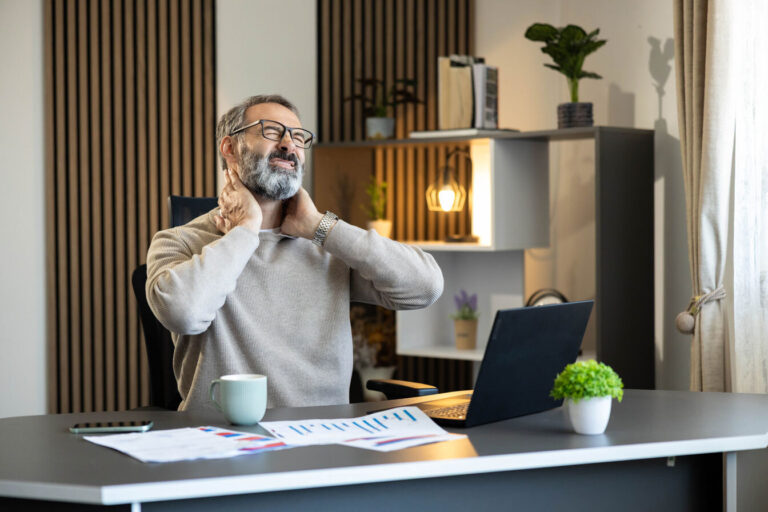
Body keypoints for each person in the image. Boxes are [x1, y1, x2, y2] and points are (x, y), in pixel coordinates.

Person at [145, 94, 443, 411]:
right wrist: (246, 230)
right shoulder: (179, 242)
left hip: (322, 440)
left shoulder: (326, 245)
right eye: (271, 131)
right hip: (225, 443)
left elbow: (425, 288)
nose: (289, 145)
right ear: (230, 149)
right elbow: (184, 313)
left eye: (298, 137)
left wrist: (319, 225)